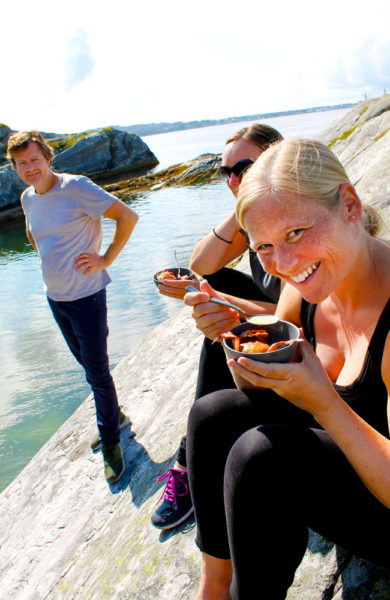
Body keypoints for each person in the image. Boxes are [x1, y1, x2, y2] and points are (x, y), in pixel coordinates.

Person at [184, 137, 390, 600]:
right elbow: (259, 391)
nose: (286, 263)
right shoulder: (307, 285)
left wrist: (325, 402)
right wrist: (235, 344)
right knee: (213, 416)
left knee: (262, 457)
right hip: (352, 459)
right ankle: (213, 588)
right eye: (265, 247)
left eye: (297, 232)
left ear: (350, 205)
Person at [151, 124, 283, 529]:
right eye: (224, 172)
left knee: (220, 317)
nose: (233, 179)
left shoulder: (299, 220)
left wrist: (222, 303)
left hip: (303, 332)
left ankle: (190, 460)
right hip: (278, 312)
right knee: (218, 286)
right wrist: (242, 202)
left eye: (244, 167)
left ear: (276, 160)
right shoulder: (254, 220)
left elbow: (307, 316)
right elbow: (201, 264)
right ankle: (194, 457)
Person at [6, 131, 139, 485]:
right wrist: (50, 265)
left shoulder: (76, 187)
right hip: (57, 298)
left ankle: (112, 442)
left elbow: (127, 216)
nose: (30, 168)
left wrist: (105, 257)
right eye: (22, 164)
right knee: (87, 365)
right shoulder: (27, 198)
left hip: (87, 297)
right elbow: (34, 235)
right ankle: (115, 415)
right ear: (15, 168)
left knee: (96, 372)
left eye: (35, 159)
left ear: (48, 158)